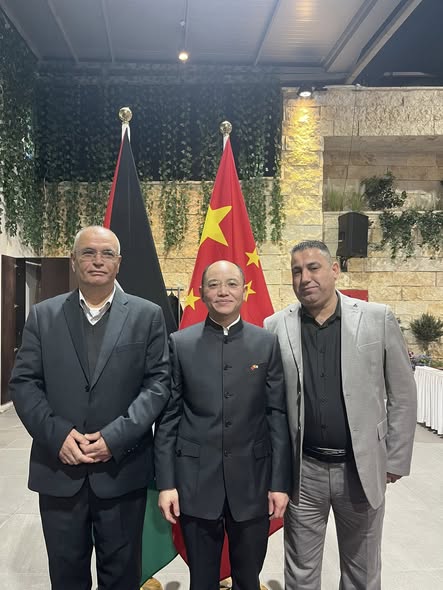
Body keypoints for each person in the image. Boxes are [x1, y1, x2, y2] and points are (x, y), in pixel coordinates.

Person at [9, 226, 170, 590]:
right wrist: (57, 435)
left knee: (122, 576)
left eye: (107, 253)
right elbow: (24, 383)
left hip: (122, 471)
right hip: (59, 472)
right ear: (73, 260)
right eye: (88, 253)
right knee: (66, 577)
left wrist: (115, 437)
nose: (98, 261)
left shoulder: (147, 315)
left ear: (118, 262)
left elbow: (158, 385)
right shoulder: (44, 315)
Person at [264, 240, 417, 590]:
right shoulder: (275, 326)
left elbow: (403, 393)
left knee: (361, 572)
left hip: (360, 470)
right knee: (300, 574)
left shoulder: (377, 318)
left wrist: (395, 458)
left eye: (313, 268)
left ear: (334, 270)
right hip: (303, 473)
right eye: (297, 271)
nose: (305, 278)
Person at [154, 260, 291, 590]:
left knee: (248, 578)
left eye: (231, 284)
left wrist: (279, 483)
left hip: (253, 483)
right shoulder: (180, 343)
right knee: (201, 580)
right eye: (214, 284)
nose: (223, 291)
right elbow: (168, 419)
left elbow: (276, 416)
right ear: (202, 293)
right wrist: (166, 484)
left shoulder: (266, 343)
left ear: (243, 291)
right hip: (196, 482)